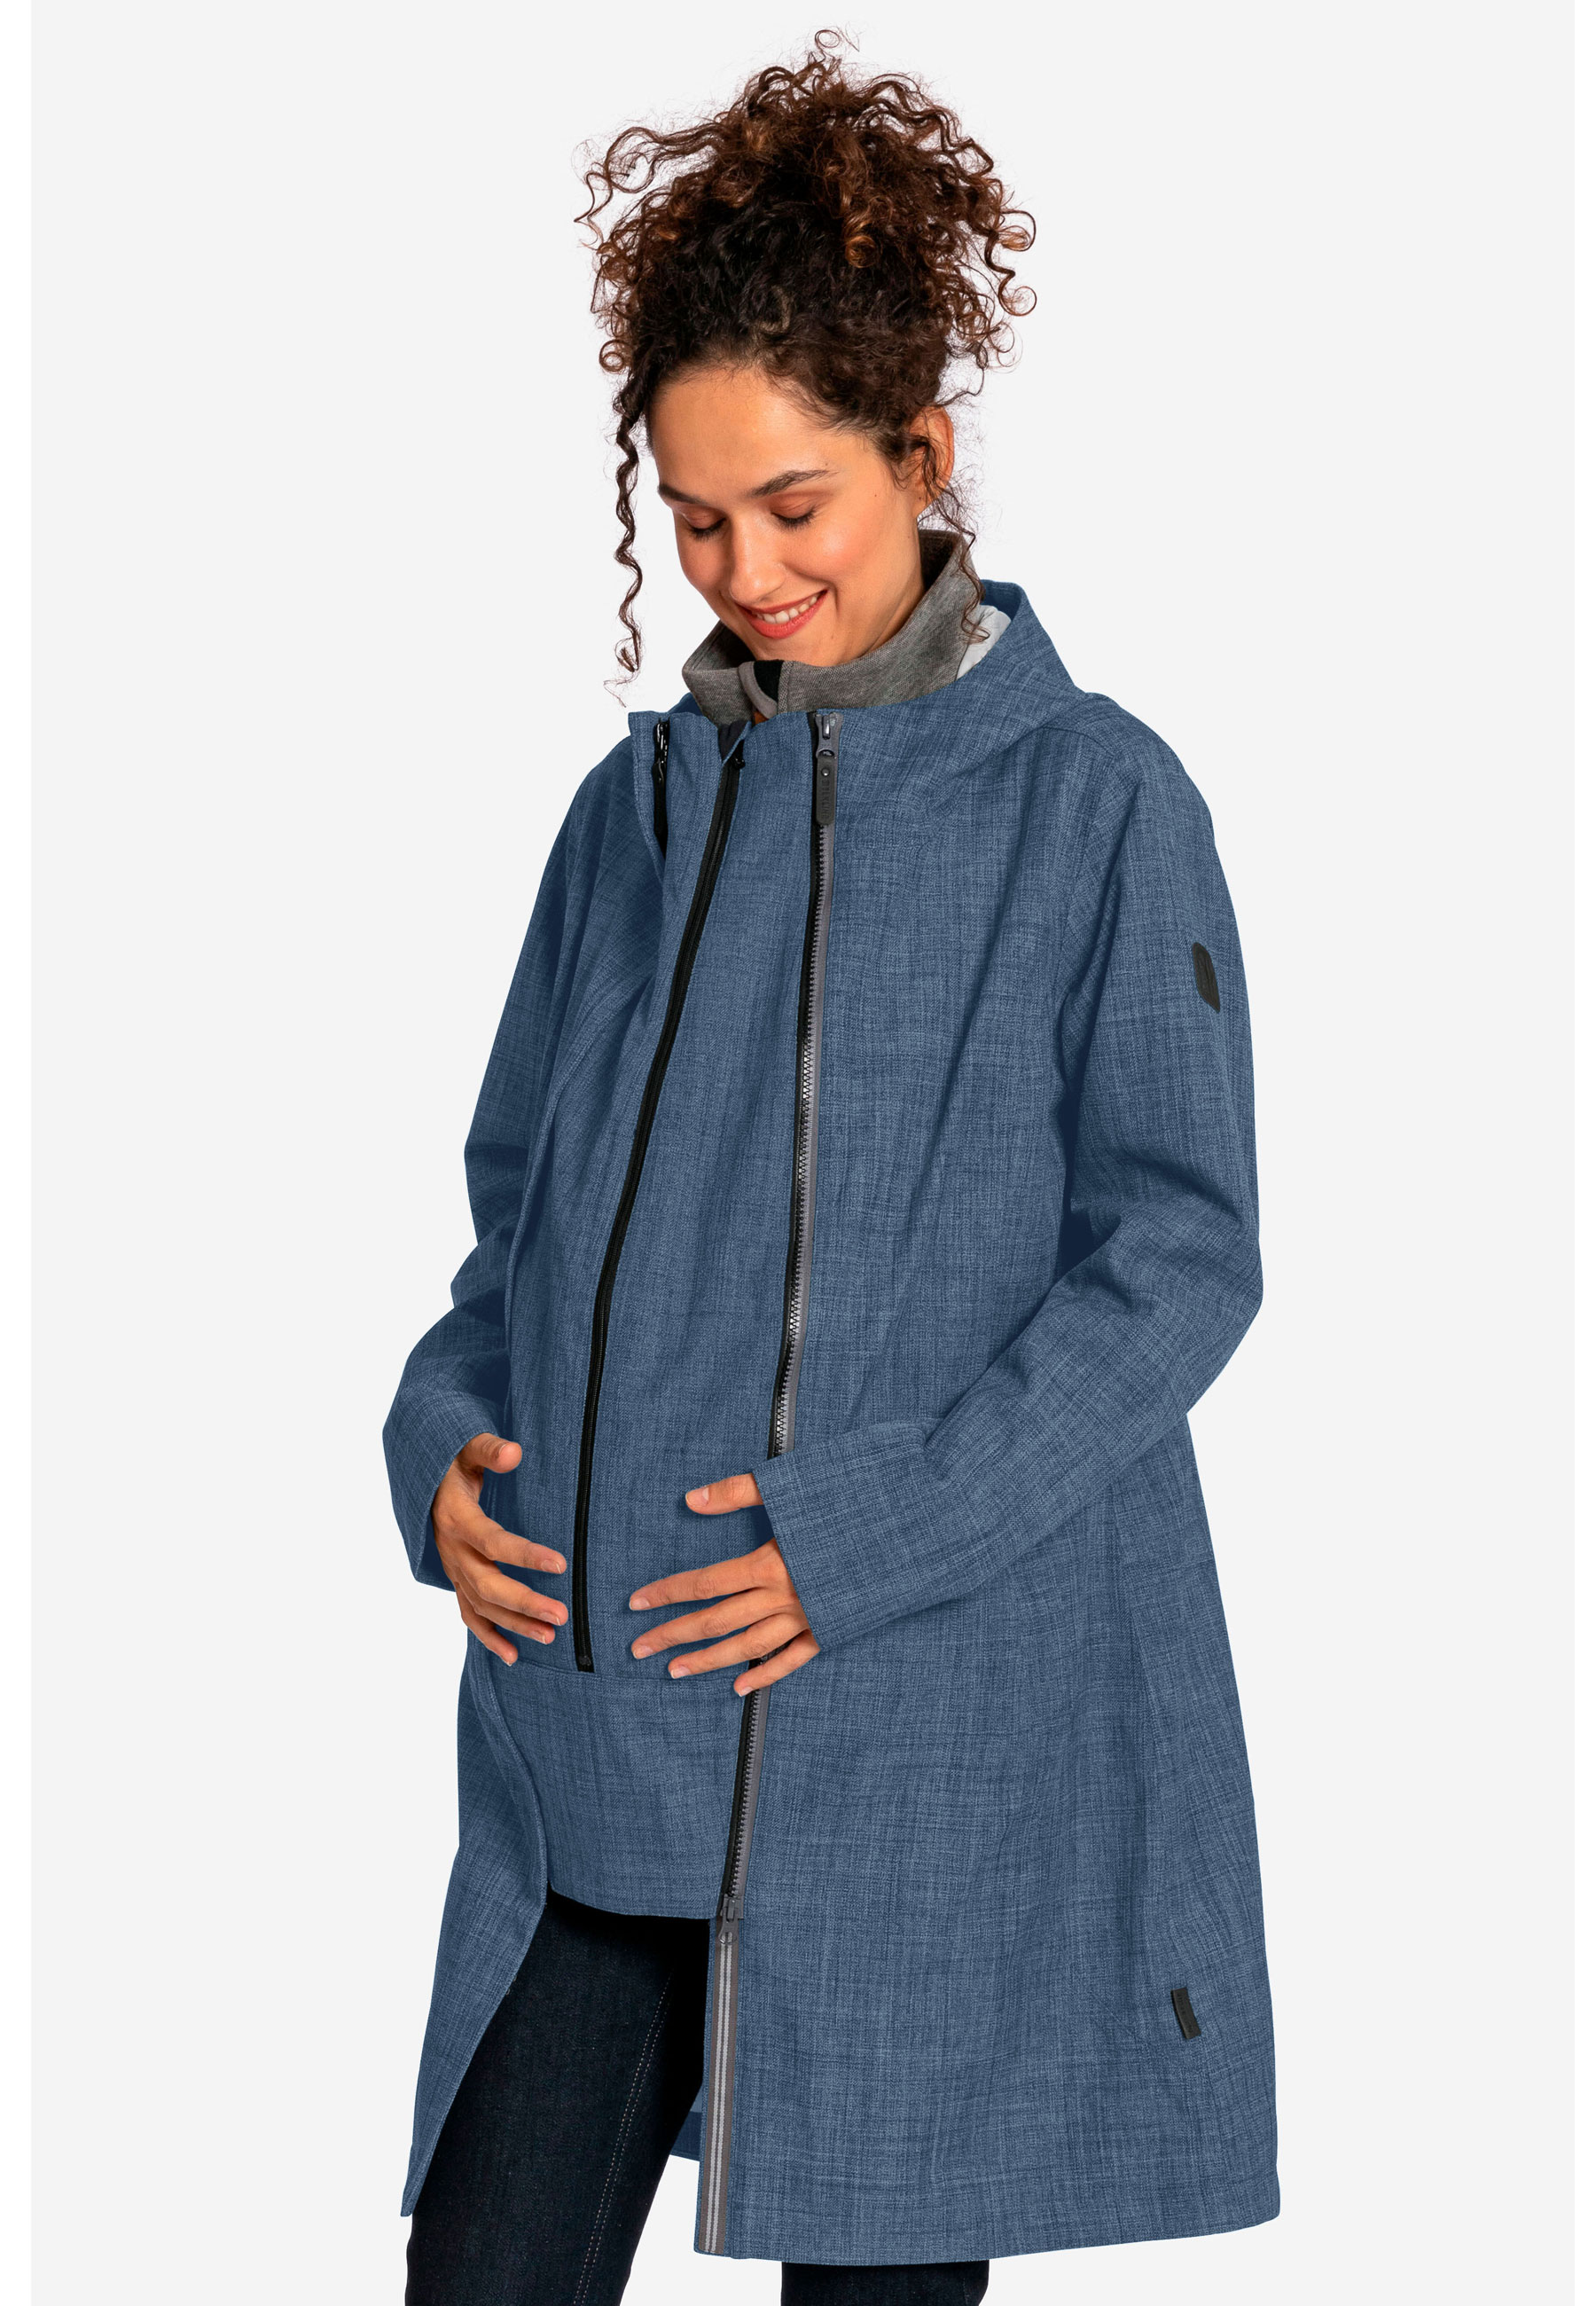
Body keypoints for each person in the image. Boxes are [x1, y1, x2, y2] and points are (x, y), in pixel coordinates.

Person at [384, 35, 1279, 2305]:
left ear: (922, 456)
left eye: (795, 503)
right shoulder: (629, 817)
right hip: (602, 1726)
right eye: (695, 518)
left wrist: (862, 1540)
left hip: (913, 1742)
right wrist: (439, 1451)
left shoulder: (1096, 802)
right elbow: (512, 1220)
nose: (746, 567)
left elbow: (1178, 1260)